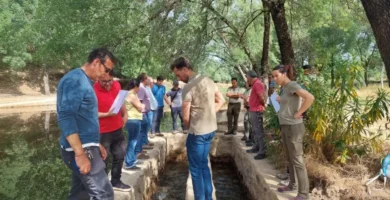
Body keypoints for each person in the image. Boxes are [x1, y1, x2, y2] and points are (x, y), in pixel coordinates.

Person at [57, 48, 115, 200]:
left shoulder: (84, 81)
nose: (107, 74)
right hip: (80, 149)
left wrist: (96, 143)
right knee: (104, 194)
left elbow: (85, 118)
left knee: (80, 194)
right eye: (106, 69)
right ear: (96, 62)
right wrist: (80, 153)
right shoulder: (75, 80)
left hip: (87, 146)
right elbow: (66, 117)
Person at [170, 57, 225, 200]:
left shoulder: (189, 87)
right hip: (210, 130)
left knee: (195, 170)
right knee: (204, 166)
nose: (179, 79)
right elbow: (221, 100)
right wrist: (211, 114)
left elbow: (186, 116)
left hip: (198, 133)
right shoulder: (209, 80)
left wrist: (190, 127)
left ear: (185, 69)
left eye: (178, 74)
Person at [272, 65, 314, 200]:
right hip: (285, 127)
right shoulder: (284, 88)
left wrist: (299, 113)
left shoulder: (292, 85)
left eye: (276, 75)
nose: (274, 78)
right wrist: (279, 100)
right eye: (273, 76)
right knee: (290, 158)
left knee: (297, 160)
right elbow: (288, 103)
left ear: (284, 74)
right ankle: (292, 185)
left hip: (293, 128)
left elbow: (310, 97)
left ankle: (303, 194)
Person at [94, 71, 131, 191]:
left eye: (110, 80)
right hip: (102, 132)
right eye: (104, 81)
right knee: (103, 160)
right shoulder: (92, 90)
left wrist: (125, 114)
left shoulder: (117, 85)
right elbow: (89, 114)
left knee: (120, 155)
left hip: (117, 129)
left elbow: (120, 100)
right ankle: (103, 187)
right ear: (98, 79)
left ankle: (116, 181)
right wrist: (107, 114)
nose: (108, 84)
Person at [245, 70, 267, 160]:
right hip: (254, 110)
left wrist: (263, 105)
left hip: (257, 110)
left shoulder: (257, 84)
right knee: (255, 131)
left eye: (247, 78)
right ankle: (256, 147)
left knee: (259, 131)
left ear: (250, 77)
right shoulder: (255, 84)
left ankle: (262, 151)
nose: (247, 80)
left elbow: (261, 97)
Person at [124, 79, 145, 170]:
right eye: (138, 86)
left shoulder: (128, 94)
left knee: (133, 140)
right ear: (135, 86)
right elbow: (140, 107)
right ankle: (129, 162)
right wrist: (142, 105)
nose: (139, 88)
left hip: (132, 119)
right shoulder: (131, 95)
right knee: (132, 141)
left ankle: (132, 159)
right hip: (133, 119)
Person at [135, 73, 152, 160]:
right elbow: (140, 101)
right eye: (147, 79)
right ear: (144, 79)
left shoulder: (142, 87)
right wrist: (141, 112)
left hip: (144, 112)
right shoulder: (141, 88)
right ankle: (138, 151)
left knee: (143, 131)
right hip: (142, 113)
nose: (148, 81)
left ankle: (140, 149)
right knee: (141, 132)